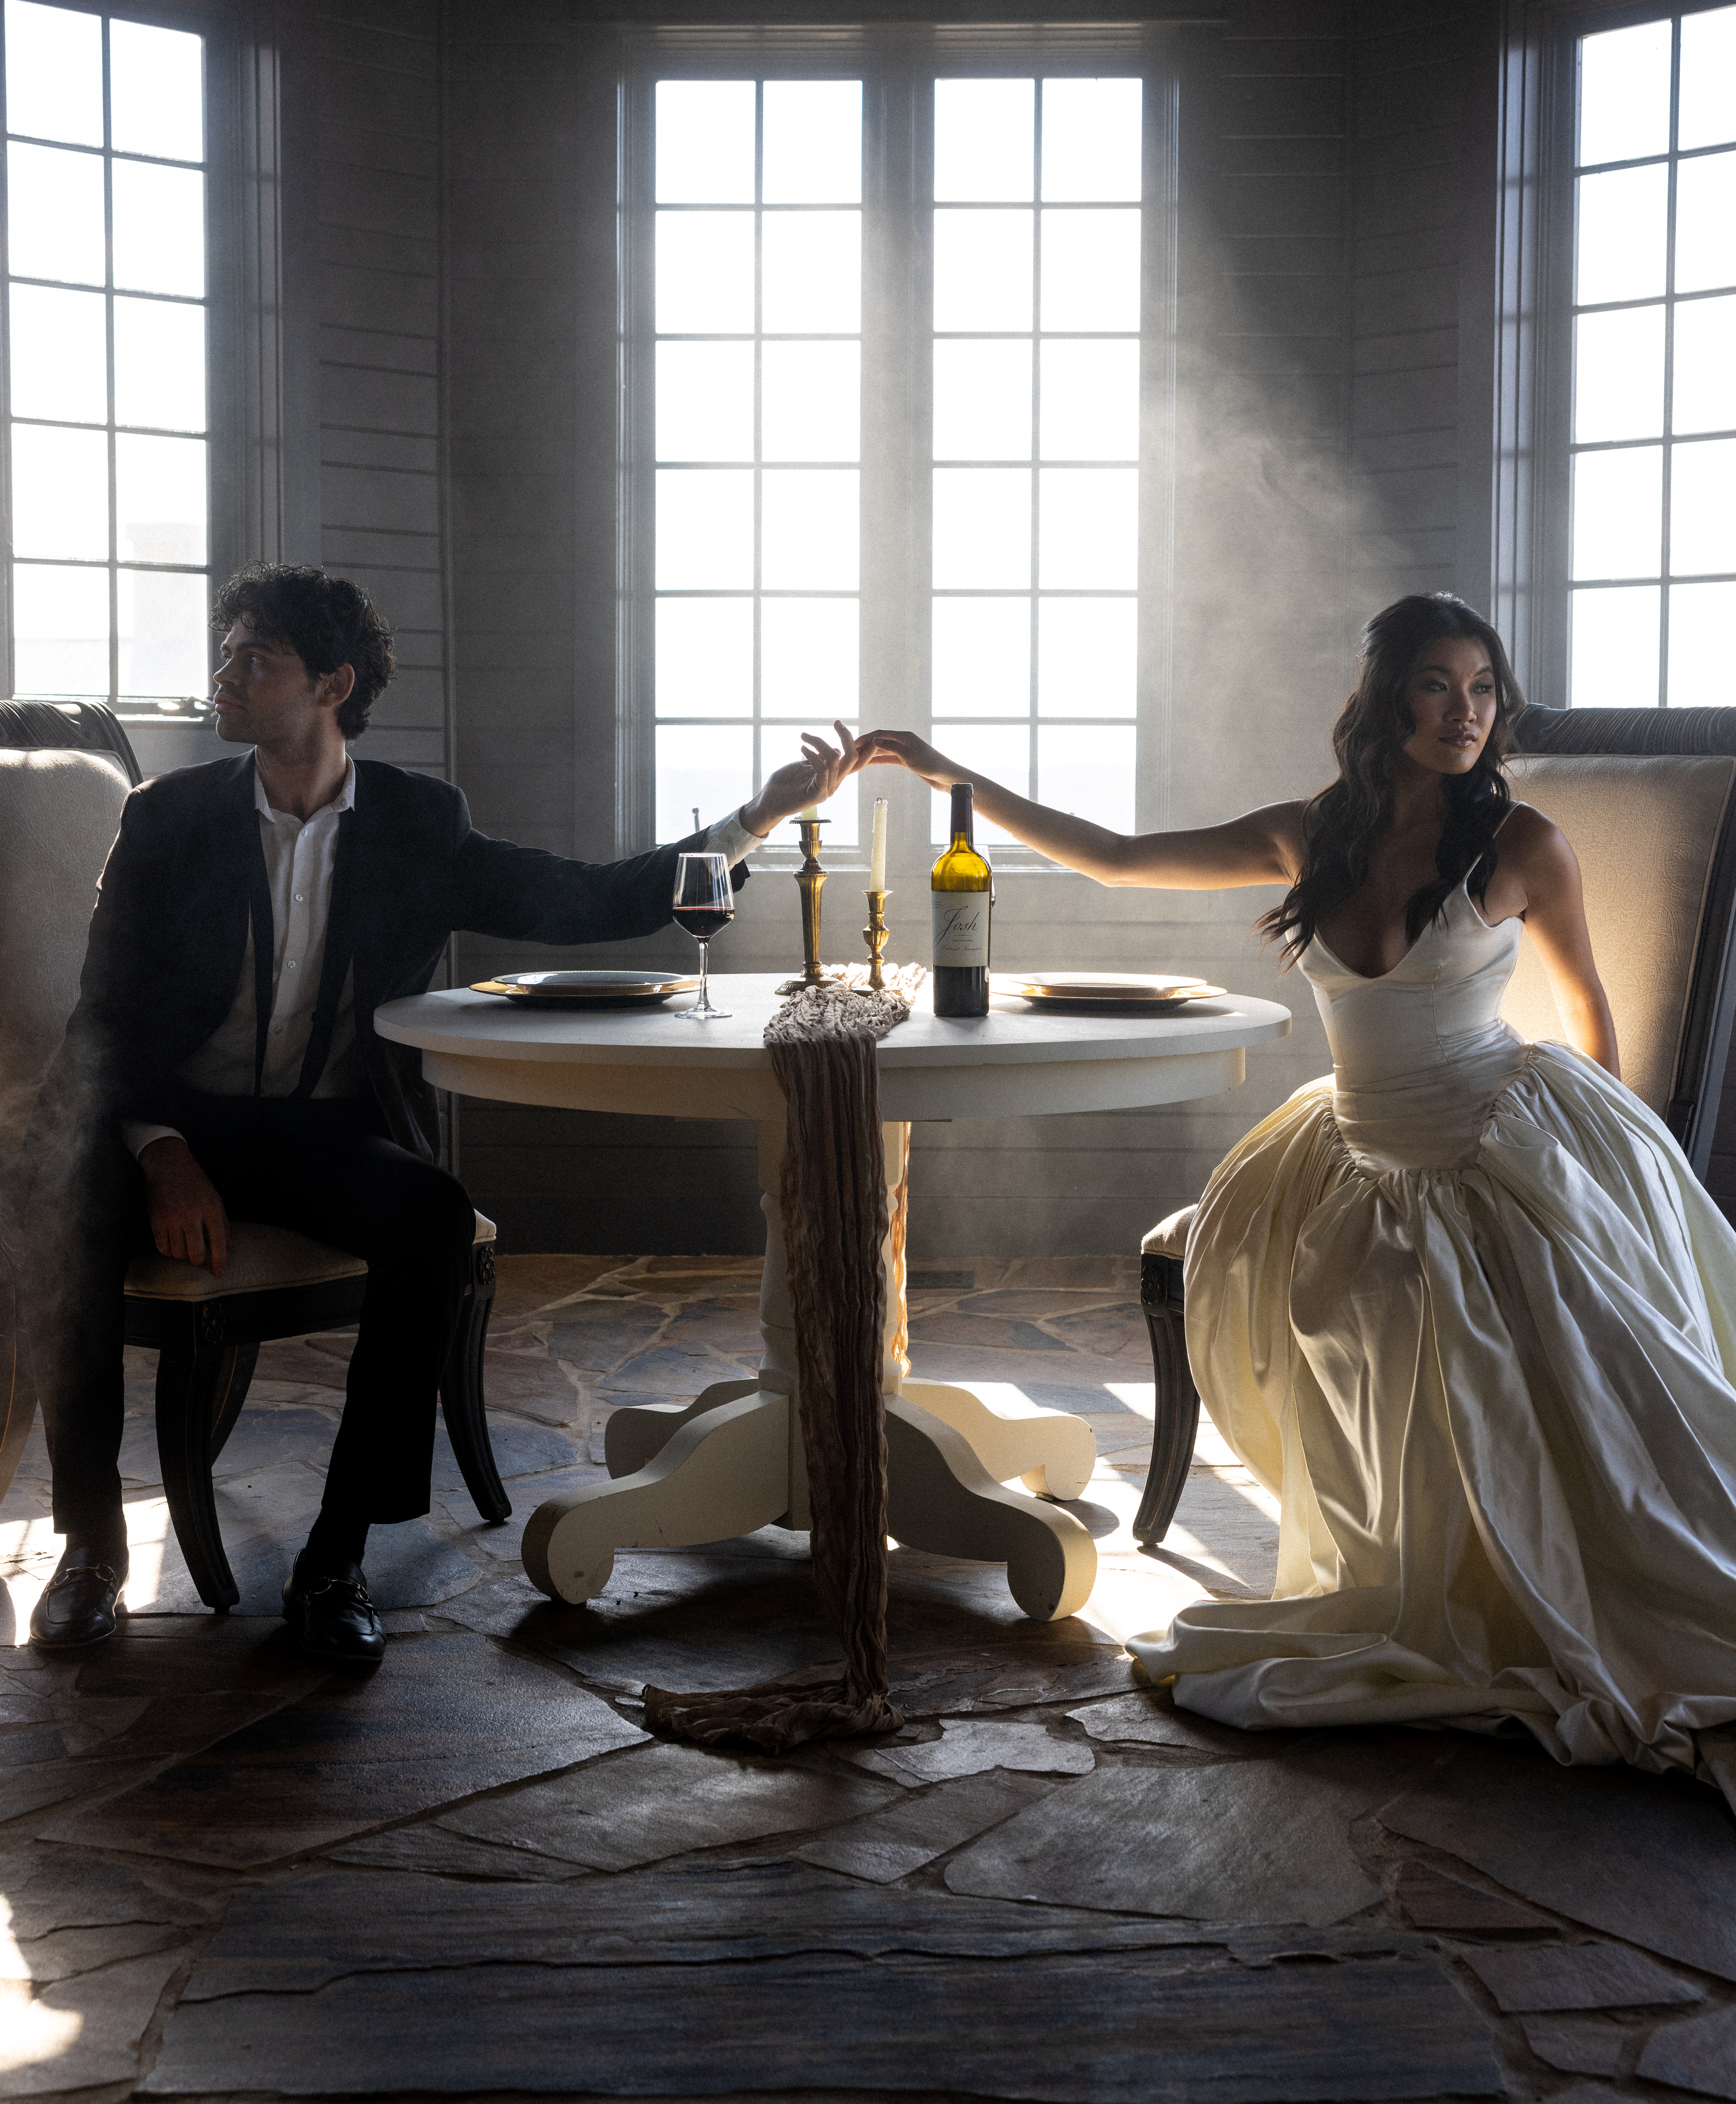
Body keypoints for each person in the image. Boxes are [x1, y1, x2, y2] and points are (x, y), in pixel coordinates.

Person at [857, 593, 1736, 1774]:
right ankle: (1421, 1566)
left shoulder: (1522, 843)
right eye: (1437, 684)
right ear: (1385, 700)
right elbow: (1117, 861)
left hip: (1494, 1134)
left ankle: (1554, 1571)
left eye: (1483, 688)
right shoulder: (1307, 834)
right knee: (1345, 1288)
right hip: (1359, 1148)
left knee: (1489, 1337)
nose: (1464, 712)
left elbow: (1586, 1012)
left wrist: (1603, 1172)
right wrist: (948, 773)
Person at [26, 562, 854, 1662]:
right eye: (226, 652)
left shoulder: (419, 823)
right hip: (178, 1125)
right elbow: (105, 1014)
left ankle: (337, 1555)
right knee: (59, 1207)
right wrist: (163, 1153)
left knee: (430, 1215)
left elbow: (589, 898)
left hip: (325, 1133)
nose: (223, 675)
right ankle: (90, 1550)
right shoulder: (169, 817)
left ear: (332, 684)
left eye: (251, 658)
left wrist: (760, 816)